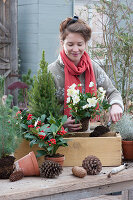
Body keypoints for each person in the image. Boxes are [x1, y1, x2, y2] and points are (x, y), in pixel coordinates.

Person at [48, 16, 123, 132]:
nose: (75, 49)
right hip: (57, 138)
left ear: (86, 44)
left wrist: (116, 105)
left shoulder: (92, 67)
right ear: (62, 43)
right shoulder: (51, 71)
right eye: (70, 44)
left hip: (86, 135)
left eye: (80, 44)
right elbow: (40, 109)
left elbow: (113, 92)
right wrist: (60, 122)